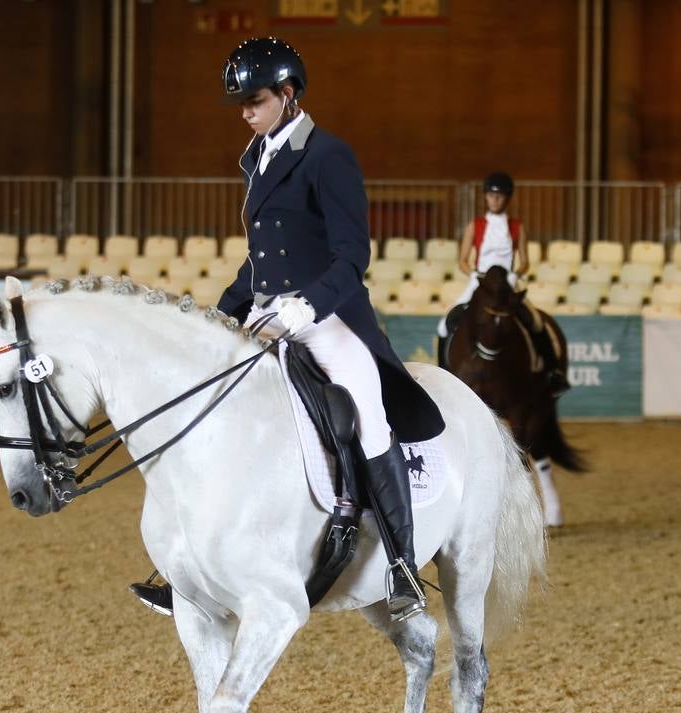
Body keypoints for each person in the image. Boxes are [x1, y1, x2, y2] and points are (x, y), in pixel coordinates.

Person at [131, 37, 444, 623]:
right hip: (265, 314)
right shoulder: (256, 158)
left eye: (254, 101)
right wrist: (221, 311)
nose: (245, 113)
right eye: (241, 104)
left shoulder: (328, 155)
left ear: (288, 94)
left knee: (368, 411)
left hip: (324, 316)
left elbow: (352, 255)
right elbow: (264, 259)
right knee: (209, 406)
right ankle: (188, 567)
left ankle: (401, 565)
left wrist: (309, 307)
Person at [437, 172, 566, 395]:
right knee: (444, 324)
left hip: (507, 284)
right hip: (480, 284)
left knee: (535, 322)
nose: (495, 200)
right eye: (491, 195)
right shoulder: (474, 226)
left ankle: (552, 373)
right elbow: (462, 260)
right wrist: (476, 274)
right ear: (485, 197)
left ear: (507, 199)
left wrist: (516, 274)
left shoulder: (517, 227)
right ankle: (444, 373)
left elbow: (525, 261)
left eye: (500, 196)